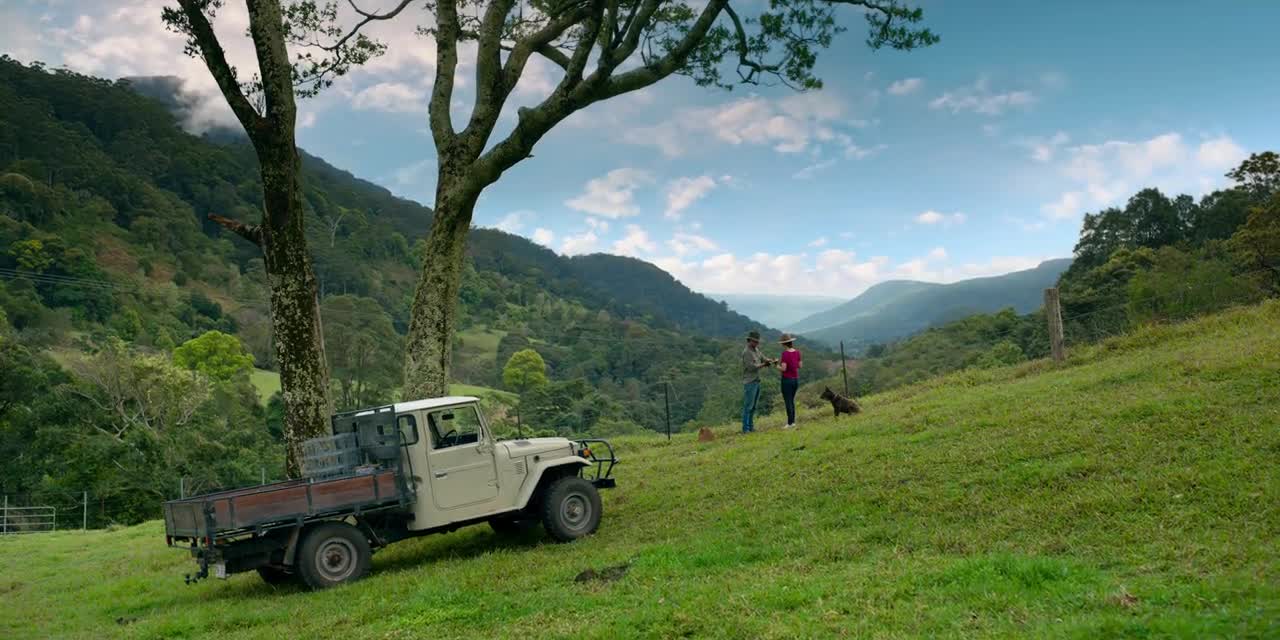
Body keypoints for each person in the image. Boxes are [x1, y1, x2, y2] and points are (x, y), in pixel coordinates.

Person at [740, 330, 776, 433]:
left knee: (753, 406)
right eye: (755, 341)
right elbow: (751, 367)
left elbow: (763, 358)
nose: (756, 343)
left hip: (756, 380)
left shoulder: (756, 350)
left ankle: (751, 427)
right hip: (750, 381)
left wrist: (770, 360)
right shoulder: (747, 352)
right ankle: (745, 428)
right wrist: (764, 365)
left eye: (757, 342)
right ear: (749, 341)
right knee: (748, 406)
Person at [776, 334, 802, 428]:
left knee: (788, 401)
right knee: (791, 401)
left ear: (784, 344)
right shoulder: (797, 352)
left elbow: (784, 369)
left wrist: (776, 365)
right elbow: (800, 366)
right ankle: (793, 422)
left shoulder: (785, 354)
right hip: (795, 380)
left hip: (787, 380)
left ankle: (789, 423)